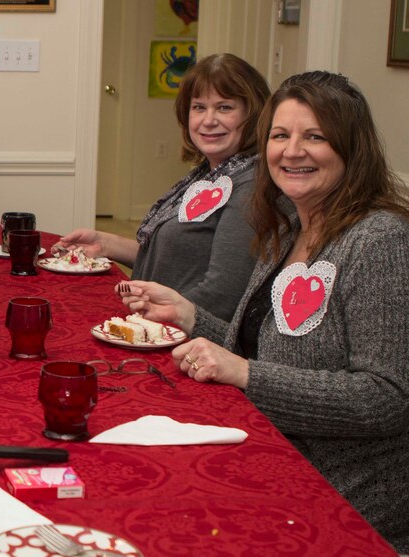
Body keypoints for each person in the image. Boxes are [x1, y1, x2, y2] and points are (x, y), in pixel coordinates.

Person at [118, 71, 409, 552]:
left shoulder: (379, 241)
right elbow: (258, 349)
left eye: (314, 136)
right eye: (280, 135)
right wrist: (188, 314)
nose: (291, 151)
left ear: (351, 148)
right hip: (266, 450)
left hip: (340, 493)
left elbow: (387, 398)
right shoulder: (287, 227)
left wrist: (247, 375)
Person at [56, 53, 270, 321]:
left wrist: (147, 318)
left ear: (253, 114)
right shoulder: (207, 176)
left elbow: (222, 295)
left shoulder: (249, 186)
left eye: (225, 108)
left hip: (186, 343)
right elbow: (173, 261)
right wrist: (104, 243)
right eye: (199, 107)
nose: (208, 120)